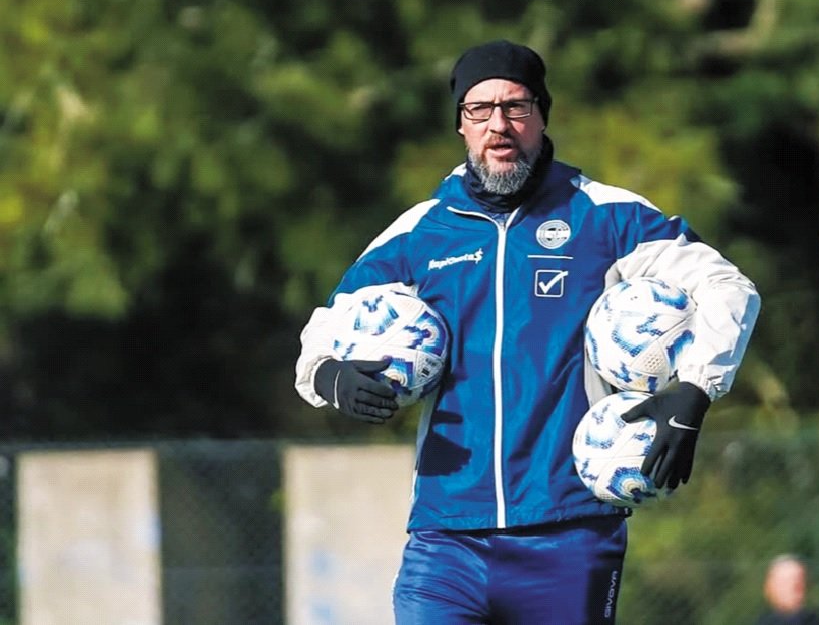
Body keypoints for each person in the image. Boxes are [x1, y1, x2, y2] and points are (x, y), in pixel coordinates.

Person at [295, 40, 761, 624]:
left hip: (570, 530)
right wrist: (329, 376)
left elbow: (727, 286)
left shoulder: (605, 215)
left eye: (516, 107)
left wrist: (695, 386)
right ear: (461, 124)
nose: (499, 124)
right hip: (445, 538)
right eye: (479, 109)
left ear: (542, 115)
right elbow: (325, 328)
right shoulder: (420, 232)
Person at [756, 554, 819, 625]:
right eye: (786, 581)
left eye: (799, 579)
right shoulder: (763, 622)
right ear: (770, 587)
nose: (794, 586)